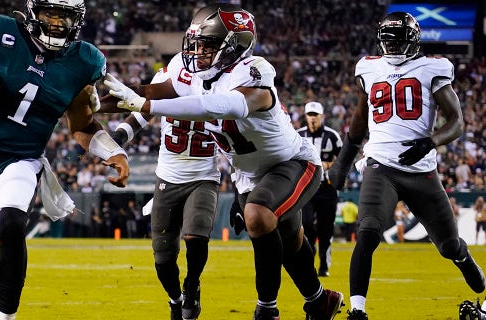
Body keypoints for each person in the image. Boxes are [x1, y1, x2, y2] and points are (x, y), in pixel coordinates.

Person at [101, 4, 343, 319]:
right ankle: (319, 300)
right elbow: (151, 91)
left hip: (292, 163)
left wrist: (147, 103)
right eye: (197, 44)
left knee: (258, 216)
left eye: (209, 45)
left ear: (235, 46)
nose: (198, 52)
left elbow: (229, 105)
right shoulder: (188, 72)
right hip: (248, 175)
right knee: (290, 239)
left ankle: (266, 309)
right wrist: (93, 101)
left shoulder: (254, 69)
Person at [0, 1, 130, 319]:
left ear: (78, 20)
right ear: (34, 11)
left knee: (13, 222)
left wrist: (112, 151)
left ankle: (7, 317)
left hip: (20, 159)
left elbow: (83, 126)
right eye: (52, 14)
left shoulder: (83, 60)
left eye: (66, 17)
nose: (58, 23)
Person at [326, 12, 485, 319]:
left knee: (449, 245)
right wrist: (342, 165)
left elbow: (456, 122)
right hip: (380, 165)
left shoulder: (432, 67)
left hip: (422, 170)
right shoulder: (369, 68)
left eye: (398, 41)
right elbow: (358, 125)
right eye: (388, 41)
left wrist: (432, 141)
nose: (393, 48)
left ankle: (464, 258)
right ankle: (357, 310)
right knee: (368, 232)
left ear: (413, 41)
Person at [103, 70, 221, 320]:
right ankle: (175, 299)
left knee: (196, 236)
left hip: (204, 175)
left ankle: (192, 285)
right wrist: (121, 135)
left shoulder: (227, 81)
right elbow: (144, 111)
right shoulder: (172, 77)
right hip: (168, 176)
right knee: (163, 257)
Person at [297, 101, 343, 276]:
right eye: (310, 114)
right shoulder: (298, 135)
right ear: (305, 116)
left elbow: (344, 159)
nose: (313, 118)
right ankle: (311, 255)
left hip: (327, 188)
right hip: (306, 188)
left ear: (322, 116)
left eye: (316, 115)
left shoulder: (332, 136)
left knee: (326, 228)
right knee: (306, 224)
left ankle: (324, 262)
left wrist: (329, 164)